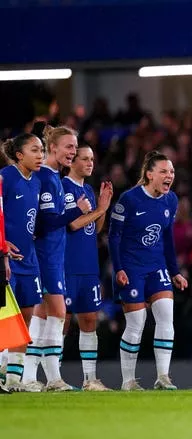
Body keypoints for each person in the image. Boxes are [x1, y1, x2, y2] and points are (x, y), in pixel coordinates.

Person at [108, 150, 188, 391]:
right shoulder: (129, 200)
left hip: (157, 267)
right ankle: (128, 381)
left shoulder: (171, 200)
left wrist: (174, 271)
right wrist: (119, 269)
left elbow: (167, 238)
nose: (169, 176)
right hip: (132, 268)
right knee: (136, 323)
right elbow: (113, 237)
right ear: (149, 174)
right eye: (163, 171)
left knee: (166, 315)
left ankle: (163, 377)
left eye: (171, 172)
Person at [29, 126, 91, 392]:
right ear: (52, 148)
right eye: (68, 147)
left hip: (54, 255)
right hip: (44, 256)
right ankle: (50, 377)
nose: (72, 152)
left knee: (43, 316)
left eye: (74, 148)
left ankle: (30, 375)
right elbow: (44, 223)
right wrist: (76, 211)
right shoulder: (44, 177)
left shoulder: (52, 177)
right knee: (57, 313)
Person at [62, 144, 113, 391]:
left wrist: (103, 206)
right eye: (84, 159)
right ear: (72, 161)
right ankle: (53, 376)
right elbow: (73, 224)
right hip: (68, 265)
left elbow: (95, 228)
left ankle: (89, 379)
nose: (90, 163)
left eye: (92, 159)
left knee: (90, 320)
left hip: (89, 266)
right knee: (62, 321)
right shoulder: (64, 187)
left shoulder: (89, 190)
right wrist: (100, 210)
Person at [0, 133, 44, 392]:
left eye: (42, 150)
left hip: (29, 259)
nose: (41, 155)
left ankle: (14, 379)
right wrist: (3, 246)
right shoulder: (5, 177)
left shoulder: (36, 182)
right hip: (6, 260)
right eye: (35, 150)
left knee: (26, 318)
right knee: (5, 319)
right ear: (19, 155)